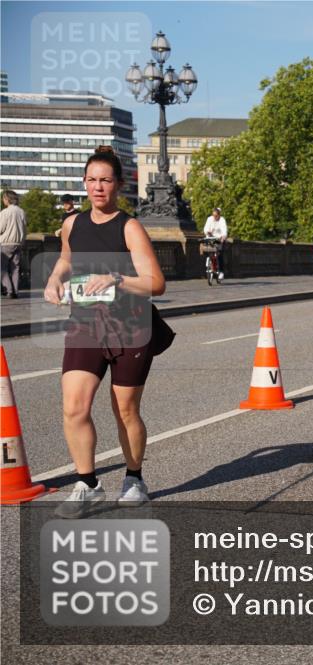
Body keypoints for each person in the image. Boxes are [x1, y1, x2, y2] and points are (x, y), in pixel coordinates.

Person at [42, 147, 168, 517]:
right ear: (84, 183)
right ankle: (88, 483)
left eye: (106, 180)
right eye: (92, 180)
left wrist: (115, 277)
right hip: (85, 323)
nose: (99, 187)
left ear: (119, 185)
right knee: (73, 407)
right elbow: (66, 258)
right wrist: (53, 281)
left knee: (125, 409)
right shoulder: (72, 224)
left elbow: (156, 283)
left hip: (130, 326)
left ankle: (133, 478)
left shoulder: (129, 227)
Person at [0, 190, 27, 299]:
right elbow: (25, 229)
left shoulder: (4, 212)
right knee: (15, 268)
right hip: (18, 243)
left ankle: (9, 290)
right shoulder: (22, 212)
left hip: (6, 243)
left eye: (3, 198)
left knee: (2, 268)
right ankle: (15, 291)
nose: (3, 200)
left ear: (7, 199)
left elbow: (0, 228)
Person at [203, 207, 228, 280]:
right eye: (213, 215)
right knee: (209, 251)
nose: (215, 217)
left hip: (219, 239)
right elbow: (206, 228)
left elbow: (224, 229)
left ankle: (221, 271)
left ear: (219, 215)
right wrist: (207, 231)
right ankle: (211, 265)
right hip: (211, 238)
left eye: (216, 216)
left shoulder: (222, 220)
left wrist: (223, 236)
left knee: (220, 254)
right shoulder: (209, 219)